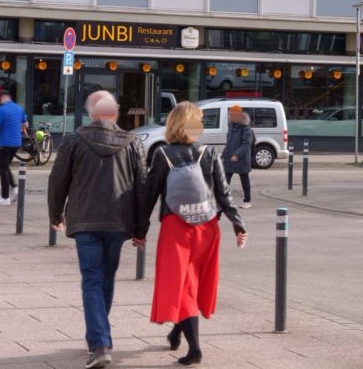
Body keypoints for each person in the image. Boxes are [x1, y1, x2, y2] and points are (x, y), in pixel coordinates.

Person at [141, 101, 247, 366]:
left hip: (177, 228)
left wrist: (139, 230)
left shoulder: (162, 154)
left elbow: (149, 195)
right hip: (207, 227)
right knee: (192, 283)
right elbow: (223, 192)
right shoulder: (209, 152)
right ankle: (177, 330)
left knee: (182, 284)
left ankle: (195, 349)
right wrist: (237, 223)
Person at [48, 91, 147, 369]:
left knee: (92, 279)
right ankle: (98, 338)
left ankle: (100, 343)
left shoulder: (74, 140)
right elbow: (142, 187)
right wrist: (140, 228)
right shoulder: (132, 142)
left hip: (85, 220)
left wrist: (55, 213)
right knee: (106, 279)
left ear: (91, 113)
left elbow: (58, 181)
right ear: (114, 112)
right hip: (119, 221)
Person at [222, 105, 254, 208]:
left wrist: (237, 154)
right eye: (229, 114)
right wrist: (223, 154)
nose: (230, 116)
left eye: (232, 114)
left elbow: (246, 144)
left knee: (244, 179)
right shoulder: (231, 126)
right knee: (225, 180)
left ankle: (247, 201)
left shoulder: (246, 128)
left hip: (241, 158)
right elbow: (229, 143)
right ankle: (224, 200)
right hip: (230, 157)